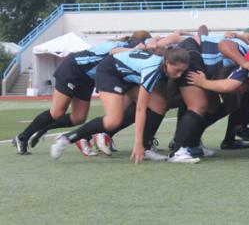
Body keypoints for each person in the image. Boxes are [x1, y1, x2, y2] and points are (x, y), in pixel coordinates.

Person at [12, 31, 151, 156]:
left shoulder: (130, 50)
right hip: (72, 69)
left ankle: (43, 129)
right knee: (57, 112)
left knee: (79, 118)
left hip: (87, 78)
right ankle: (23, 137)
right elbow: (114, 52)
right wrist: (134, 49)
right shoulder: (120, 45)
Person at [50, 47, 190, 163]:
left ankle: (147, 148)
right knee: (113, 121)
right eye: (177, 70)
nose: (179, 75)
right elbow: (140, 109)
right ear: (166, 62)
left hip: (127, 77)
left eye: (183, 71)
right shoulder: (152, 70)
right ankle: (67, 138)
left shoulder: (164, 67)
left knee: (160, 104)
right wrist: (137, 144)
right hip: (109, 72)